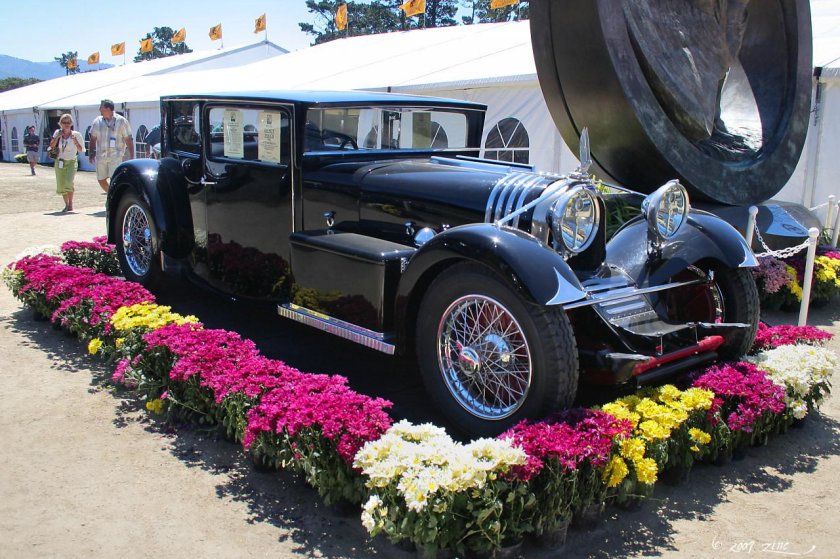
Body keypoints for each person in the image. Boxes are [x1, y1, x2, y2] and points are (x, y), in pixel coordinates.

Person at [88, 99, 133, 193]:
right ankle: (111, 195)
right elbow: (93, 138)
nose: (99, 109)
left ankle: (114, 198)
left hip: (116, 156)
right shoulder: (97, 121)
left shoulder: (121, 121)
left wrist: (132, 155)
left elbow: (128, 139)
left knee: (115, 179)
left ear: (108, 109)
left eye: (101, 107)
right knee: (101, 179)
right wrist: (91, 152)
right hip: (101, 155)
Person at [48, 114, 84, 213]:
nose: (66, 124)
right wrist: (57, 137)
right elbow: (51, 146)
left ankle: (71, 204)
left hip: (72, 161)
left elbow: (81, 150)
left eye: (68, 122)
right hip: (60, 161)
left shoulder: (76, 134)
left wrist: (75, 140)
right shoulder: (57, 132)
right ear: (60, 124)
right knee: (61, 184)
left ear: (71, 123)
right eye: (64, 122)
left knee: (69, 182)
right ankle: (66, 205)